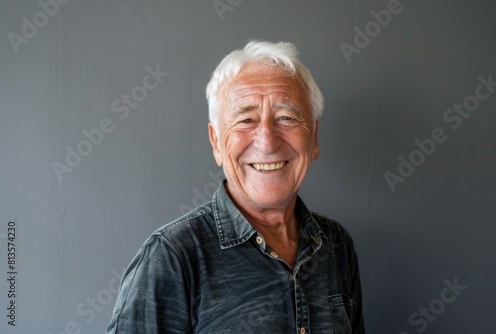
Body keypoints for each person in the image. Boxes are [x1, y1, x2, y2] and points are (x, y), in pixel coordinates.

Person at [106, 40, 365, 333]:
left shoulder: (336, 245)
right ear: (216, 141)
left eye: (286, 117)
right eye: (246, 120)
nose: (267, 141)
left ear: (314, 137)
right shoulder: (173, 258)